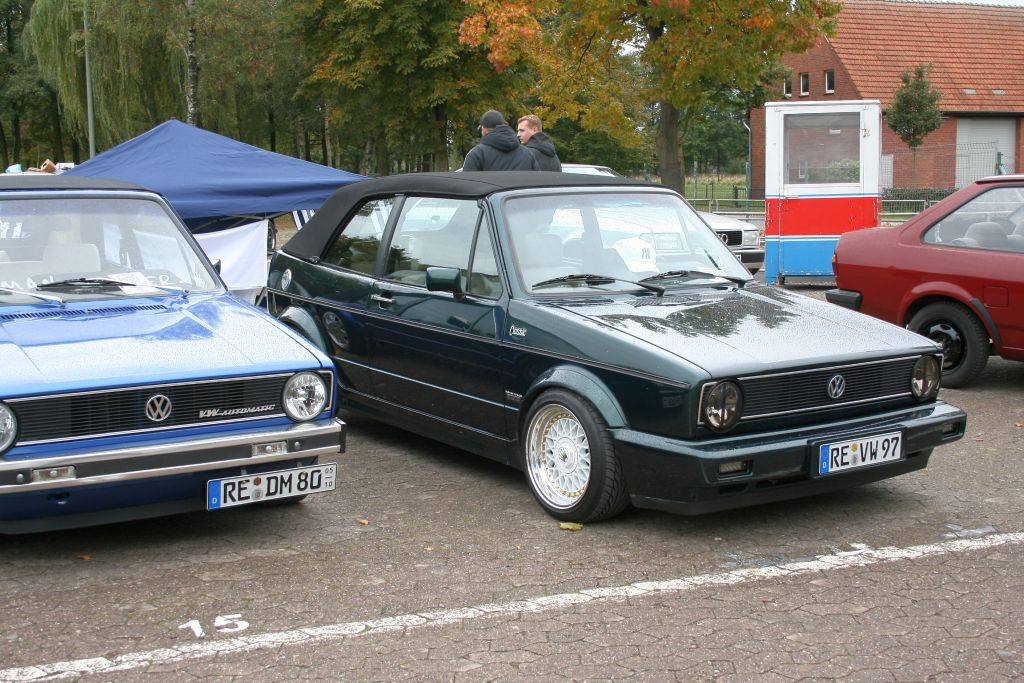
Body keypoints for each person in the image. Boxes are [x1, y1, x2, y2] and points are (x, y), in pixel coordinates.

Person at [462, 110, 539, 172]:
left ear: (484, 129)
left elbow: (467, 184)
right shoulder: (528, 154)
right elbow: (537, 182)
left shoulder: (477, 154)